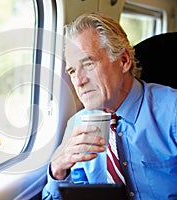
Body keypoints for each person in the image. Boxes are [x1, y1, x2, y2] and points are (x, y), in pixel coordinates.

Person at [42, 12, 177, 200]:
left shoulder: (172, 112)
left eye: (88, 64)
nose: (79, 81)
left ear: (123, 60)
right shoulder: (77, 124)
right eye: (72, 71)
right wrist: (58, 169)